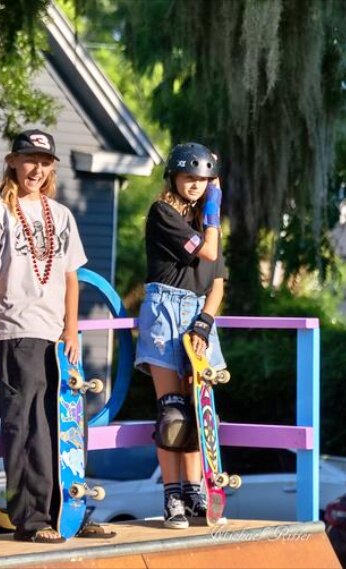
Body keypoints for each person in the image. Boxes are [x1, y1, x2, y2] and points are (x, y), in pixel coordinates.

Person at [0, 129, 87, 543]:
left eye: (44, 161)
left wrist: (72, 328)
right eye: (29, 159)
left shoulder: (62, 215)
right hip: (14, 329)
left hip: (56, 334)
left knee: (62, 424)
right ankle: (31, 518)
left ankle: (67, 509)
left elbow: (72, 278)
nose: (36, 168)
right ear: (12, 162)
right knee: (25, 424)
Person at [134, 142, 228, 529]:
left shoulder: (211, 227)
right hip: (164, 311)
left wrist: (204, 323)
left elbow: (218, 283)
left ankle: (196, 490)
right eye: (189, 177)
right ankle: (173, 494)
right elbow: (205, 254)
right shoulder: (163, 213)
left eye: (203, 180)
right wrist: (216, 204)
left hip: (199, 314)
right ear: (173, 176)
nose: (195, 185)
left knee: (199, 412)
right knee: (172, 412)